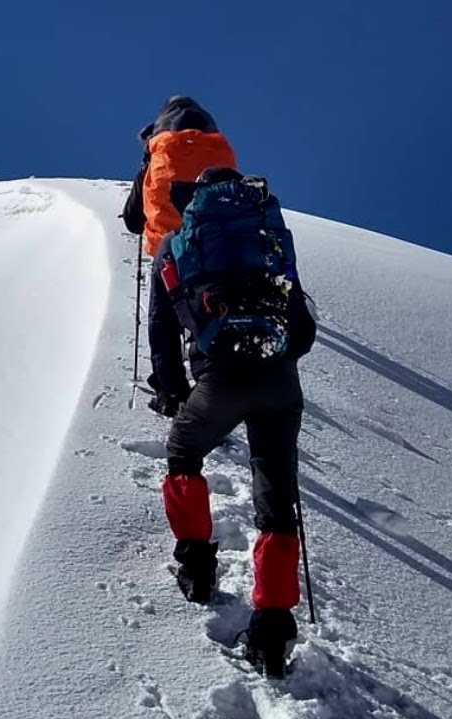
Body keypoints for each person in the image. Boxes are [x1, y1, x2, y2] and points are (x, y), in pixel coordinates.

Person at [147, 165, 317, 678]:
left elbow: (161, 328)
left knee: (182, 451)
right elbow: (303, 331)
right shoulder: (268, 240)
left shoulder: (175, 247)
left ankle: (197, 565)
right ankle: (271, 625)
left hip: (219, 378)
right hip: (280, 382)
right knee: (276, 500)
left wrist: (174, 391)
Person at [122, 96, 236, 257]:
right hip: (220, 248)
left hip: (170, 251)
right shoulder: (222, 151)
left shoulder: (158, 151)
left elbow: (133, 220)